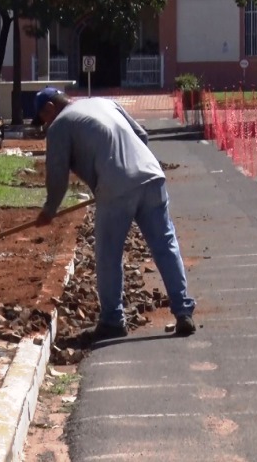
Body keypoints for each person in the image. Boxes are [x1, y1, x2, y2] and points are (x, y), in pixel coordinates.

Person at [31, 88, 197, 339]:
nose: (45, 124)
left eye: (44, 117)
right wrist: (133, 169)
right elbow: (141, 134)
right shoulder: (104, 103)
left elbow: (57, 175)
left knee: (108, 253)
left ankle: (112, 320)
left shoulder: (60, 125)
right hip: (151, 175)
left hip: (116, 186)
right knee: (165, 244)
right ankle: (183, 312)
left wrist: (50, 209)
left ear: (51, 108)